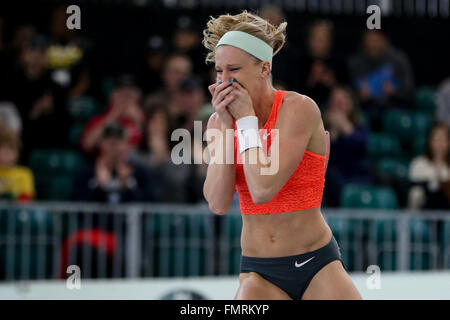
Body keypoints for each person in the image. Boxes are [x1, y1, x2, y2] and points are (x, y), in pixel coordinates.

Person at [201, 10, 361, 300]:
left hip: (317, 264)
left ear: (264, 68)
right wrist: (226, 126)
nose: (224, 81)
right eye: (219, 71)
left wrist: (246, 119)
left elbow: (263, 188)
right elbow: (218, 202)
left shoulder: (298, 108)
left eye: (233, 70)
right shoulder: (218, 122)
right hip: (259, 271)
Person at [348, 29, 415, 130]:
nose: (372, 45)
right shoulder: (354, 62)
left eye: (376, 40)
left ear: (385, 40)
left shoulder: (399, 60)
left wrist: (394, 92)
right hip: (366, 108)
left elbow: (410, 92)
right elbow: (346, 92)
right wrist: (358, 96)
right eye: (369, 40)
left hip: (393, 107)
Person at [72, 123, 155, 204]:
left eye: (118, 141)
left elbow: (148, 206)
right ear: (101, 143)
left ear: (127, 144)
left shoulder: (139, 173)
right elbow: (77, 207)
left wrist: (128, 185)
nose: (114, 146)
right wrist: (98, 186)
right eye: (110, 141)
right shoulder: (86, 173)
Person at [323, 86, 371, 207]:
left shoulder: (359, 126)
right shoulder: (322, 127)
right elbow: (324, 155)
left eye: (343, 101)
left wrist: (344, 126)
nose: (340, 106)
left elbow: (361, 146)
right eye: (336, 102)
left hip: (357, 173)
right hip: (333, 176)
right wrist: (333, 130)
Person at [408, 122, 450, 210]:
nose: (440, 144)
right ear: (430, 141)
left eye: (443, 140)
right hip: (422, 214)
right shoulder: (418, 164)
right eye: (436, 139)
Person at [0, 124, 35, 202]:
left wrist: (10, 196)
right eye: (2, 150)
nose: (5, 154)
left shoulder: (24, 173)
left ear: (17, 153)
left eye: (10, 150)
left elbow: (27, 198)